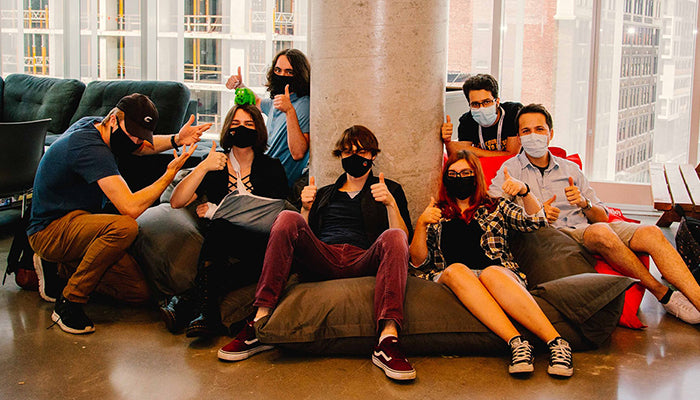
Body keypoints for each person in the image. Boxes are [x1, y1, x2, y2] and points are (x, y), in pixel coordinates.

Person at [216, 125, 416, 381]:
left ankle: (388, 339)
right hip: (325, 256)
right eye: (348, 152)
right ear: (341, 156)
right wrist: (306, 208)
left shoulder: (390, 189)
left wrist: (389, 203)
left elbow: (402, 240)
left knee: (395, 235)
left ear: (373, 156)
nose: (355, 157)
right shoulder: (324, 194)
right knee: (288, 216)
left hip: (363, 257)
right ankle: (259, 321)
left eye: (362, 152)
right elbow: (301, 241)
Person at [489, 103, 700, 325]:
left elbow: (602, 215)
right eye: (526, 131)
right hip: (554, 236)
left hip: (586, 225)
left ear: (550, 134)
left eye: (539, 129)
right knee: (601, 232)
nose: (533, 136)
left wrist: (584, 202)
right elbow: (490, 207)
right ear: (520, 138)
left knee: (651, 232)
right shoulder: (509, 170)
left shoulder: (570, 169)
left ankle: (697, 298)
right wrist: (529, 208)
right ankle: (663, 294)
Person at [28, 93, 211, 334]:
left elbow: (143, 147)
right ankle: (69, 302)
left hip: (82, 222)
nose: (135, 141)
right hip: (50, 228)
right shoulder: (90, 148)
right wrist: (168, 175)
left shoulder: (97, 125)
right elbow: (131, 208)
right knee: (125, 227)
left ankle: (61, 267)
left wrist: (178, 139)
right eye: (132, 133)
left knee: (138, 292)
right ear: (113, 120)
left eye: (139, 136)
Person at [410, 150, 574, 377]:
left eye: (466, 173)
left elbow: (536, 221)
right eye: (454, 174)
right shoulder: (437, 212)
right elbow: (418, 262)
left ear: (476, 176)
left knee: (491, 273)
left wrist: (525, 191)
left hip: (497, 275)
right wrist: (421, 224)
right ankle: (517, 343)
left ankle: (557, 343)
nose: (460, 178)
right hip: (454, 279)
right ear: (446, 179)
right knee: (457, 270)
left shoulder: (496, 206)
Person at [165, 95, 289, 336]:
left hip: (261, 242)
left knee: (219, 224)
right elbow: (177, 201)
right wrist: (202, 167)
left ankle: (187, 301)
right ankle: (207, 314)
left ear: (259, 130)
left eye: (248, 125)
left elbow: (275, 214)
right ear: (227, 129)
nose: (241, 129)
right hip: (223, 240)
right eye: (235, 124)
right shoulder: (215, 164)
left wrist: (217, 211)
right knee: (220, 228)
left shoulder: (272, 167)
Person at [226, 48, 310, 188]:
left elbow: (298, 153)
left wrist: (289, 111)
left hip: (275, 181)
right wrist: (239, 86)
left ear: (299, 74)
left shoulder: (304, 104)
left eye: (289, 72)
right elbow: (257, 102)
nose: (282, 75)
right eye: (278, 70)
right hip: (259, 168)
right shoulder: (277, 99)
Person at [442, 74, 522, 158]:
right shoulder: (466, 121)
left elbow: (512, 155)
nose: (481, 108)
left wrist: (473, 151)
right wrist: (447, 142)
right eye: (475, 104)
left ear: (497, 101)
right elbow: (462, 156)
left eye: (486, 102)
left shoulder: (513, 112)